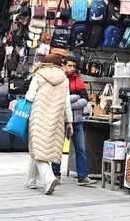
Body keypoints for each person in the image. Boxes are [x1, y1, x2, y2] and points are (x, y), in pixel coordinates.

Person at [25, 53, 73, 195]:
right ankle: (31, 181)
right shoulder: (64, 79)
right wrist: (69, 122)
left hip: (39, 115)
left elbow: (30, 96)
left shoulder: (39, 75)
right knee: (41, 147)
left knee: (38, 148)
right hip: (56, 118)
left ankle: (49, 178)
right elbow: (67, 103)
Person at [52, 55, 96, 186]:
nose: (72, 68)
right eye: (69, 66)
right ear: (64, 66)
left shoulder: (79, 81)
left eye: (74, 66)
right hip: (61, 120)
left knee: (81, 148)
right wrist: (74, 98)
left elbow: (84, 101)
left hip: (77, 121)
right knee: (57, 148)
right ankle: (55, 175)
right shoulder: (59, 79)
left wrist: (67, 103)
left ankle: (83, 176)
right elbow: (57, 100)